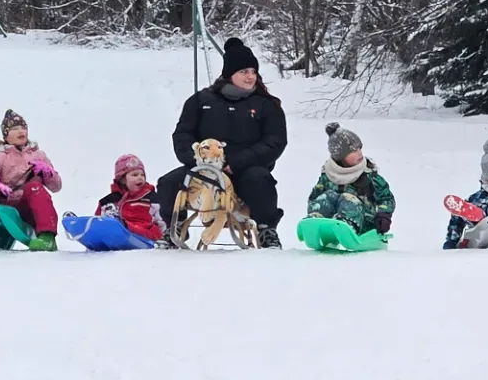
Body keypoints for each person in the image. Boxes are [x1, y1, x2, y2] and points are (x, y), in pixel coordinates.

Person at [156, 38, 289, 247]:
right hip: (203, 170)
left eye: (253, 72)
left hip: (245, 169)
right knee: (168, 182)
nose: (250, 76)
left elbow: (275, 141)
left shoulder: (266, 105)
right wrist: (196, 160)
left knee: (260, 180)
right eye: (244, 72)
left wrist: (238, 161)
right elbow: (182, 135)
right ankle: (176, 228)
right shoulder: (200, 101)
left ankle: (266, 230)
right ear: (230, 74)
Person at [0, 109, 63, 251]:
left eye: (23, 127)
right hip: (6, 203)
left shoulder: (38, 155)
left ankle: (47, 236)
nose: (21, 131)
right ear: (6, 135)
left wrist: (48, 173)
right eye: (15, 128)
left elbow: (56, 187)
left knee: (34, 187)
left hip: (28, 207)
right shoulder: (1, 155)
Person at [304, 122, 396, 237]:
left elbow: (386, 198)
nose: (359, 153)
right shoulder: (328, 174)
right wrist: (316, 208)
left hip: (363, 222)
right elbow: (314, 197)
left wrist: (383, 215)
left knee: (347, 197)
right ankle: (316, 223)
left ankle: (347, 226)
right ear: (340, 156)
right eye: (353, 151)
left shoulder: (368, 174)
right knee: (328, 196)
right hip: (331, 222)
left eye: (359, 149)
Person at [94, 154, 164, 244]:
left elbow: (162, 222)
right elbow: (98, 219)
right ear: (122, 179)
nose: (140, 177)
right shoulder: (109, 201)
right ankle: (79, 224)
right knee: (106, 224)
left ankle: (118, 224)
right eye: (135, 175)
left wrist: (164, 238)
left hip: (145, 235)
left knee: (120, 225)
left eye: (142, 175)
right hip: (119, 233)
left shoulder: (152, 199)